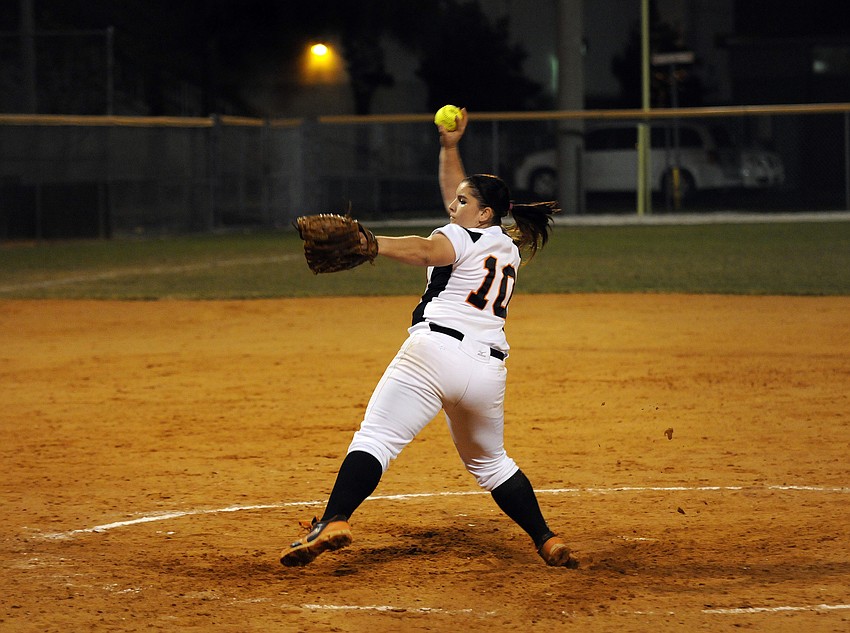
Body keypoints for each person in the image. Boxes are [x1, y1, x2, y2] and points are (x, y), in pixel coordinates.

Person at [280, 108, 577, 568]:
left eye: (462, 202)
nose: (453, 207)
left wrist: (373, 243)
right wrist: (450, 147)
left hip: (434, 353)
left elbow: (426, 250)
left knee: (377, 438)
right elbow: (459, 210)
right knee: (491, 463)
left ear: (483, 213)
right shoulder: (505, 246)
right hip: (486, 371)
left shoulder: (458, 238)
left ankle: (335, 519)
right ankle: (547, 539)